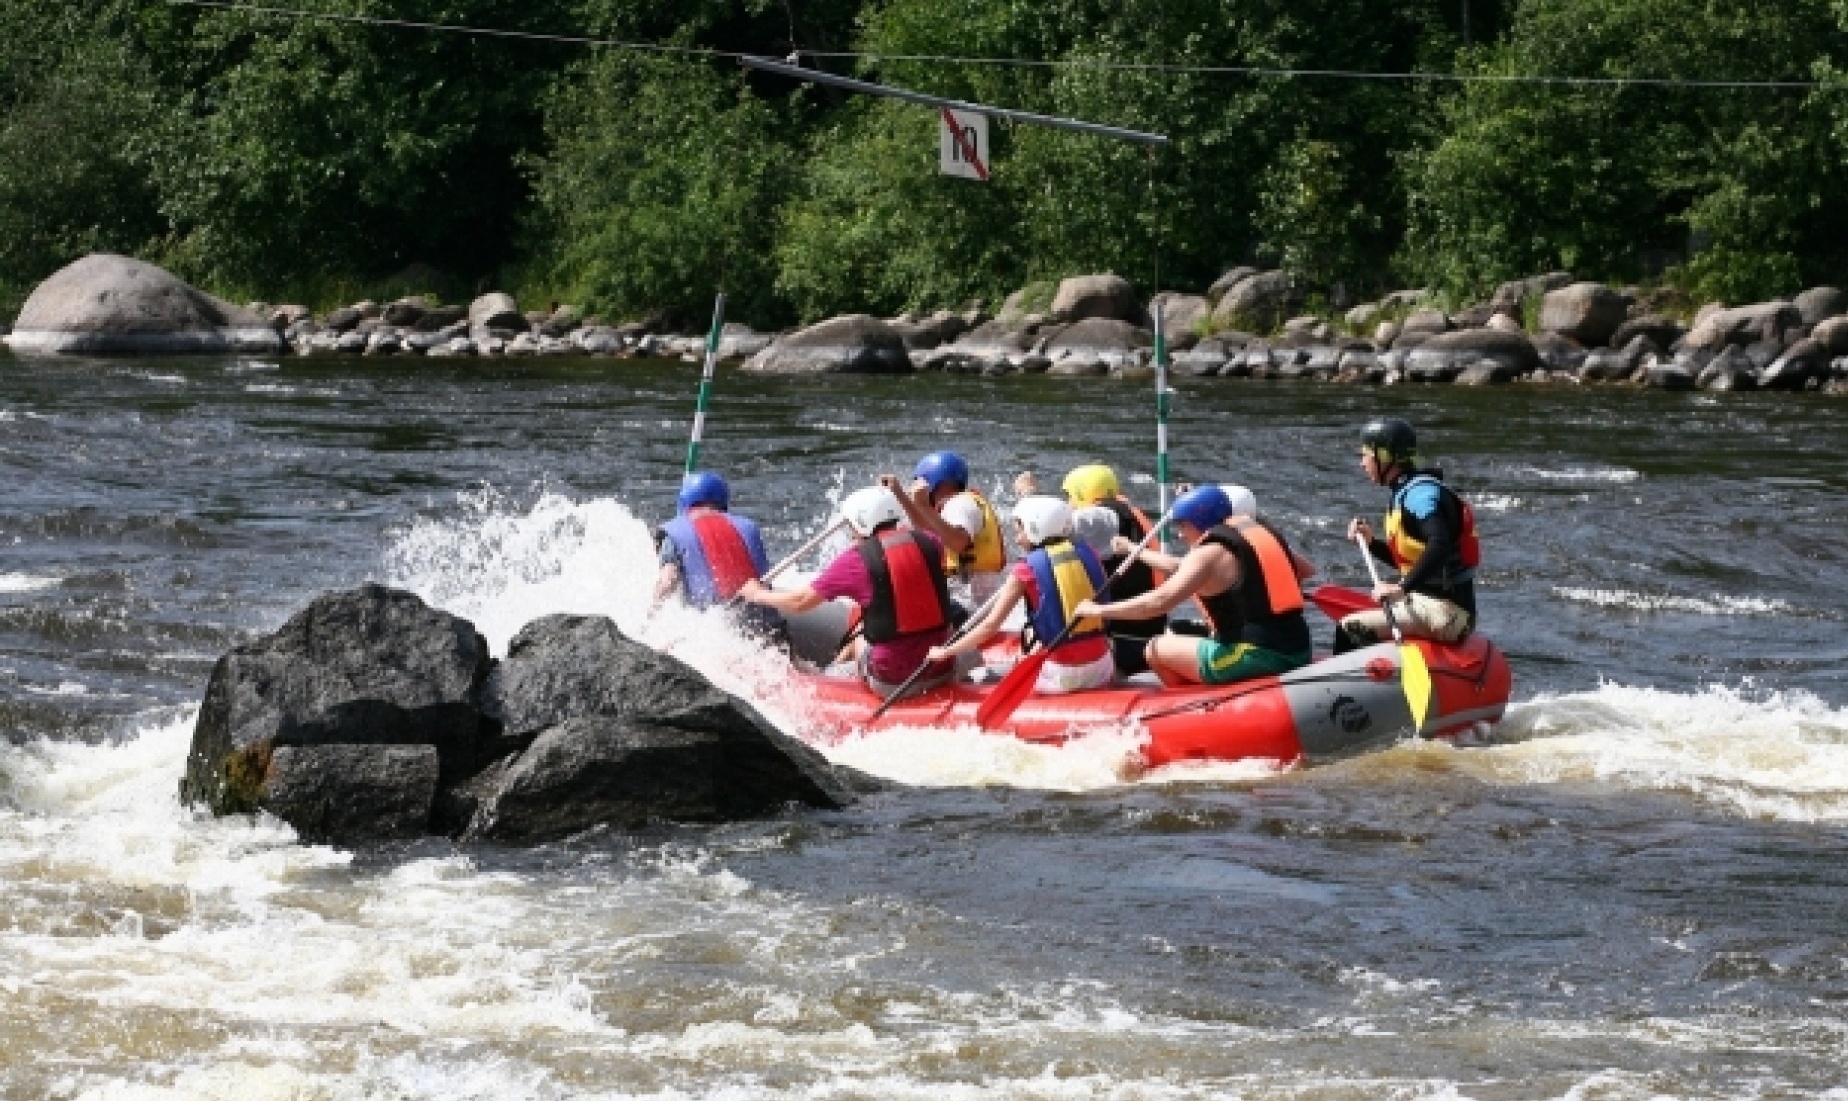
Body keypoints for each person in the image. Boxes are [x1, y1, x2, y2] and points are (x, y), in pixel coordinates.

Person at [737, 486, 975, 696]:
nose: (851, 533)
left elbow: (800, 602)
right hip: (943, 667)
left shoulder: (855, 560)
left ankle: (833, 677)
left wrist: (757, 594)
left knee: (861, 631)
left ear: (861, 524)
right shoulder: (931, 542)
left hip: (892, 682)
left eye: (851, 526)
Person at [1074, 485, 1315, 687]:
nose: (1180, 535)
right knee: (1181, 633)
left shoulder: (1208, 554)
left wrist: (1098, 610)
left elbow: (1158, 603)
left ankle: (1193, 705)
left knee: (1156, 648)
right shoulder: (1259, 536)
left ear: (1199, 522)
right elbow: (1305, 571)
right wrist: (1132, 551)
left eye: (1183, 526)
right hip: (1298, 647)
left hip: (1253, 655)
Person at [925, 496, 1116, 694]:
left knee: (989, 669)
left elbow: (990, 626)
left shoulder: (1026, 570)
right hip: (1102, 668)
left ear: (1036, 528)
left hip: (1061, 675)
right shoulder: (1090, 553)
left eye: (1020, 531)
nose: (1017, 539)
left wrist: (947, 651)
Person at [1337, 418, 1480, 652]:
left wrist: (1401, 588)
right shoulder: (1408, 491)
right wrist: (1371, 543)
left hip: (1446, 612)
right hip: (1429, 602)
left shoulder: (1420, 496)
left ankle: (1342, 689)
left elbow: (1440, 544)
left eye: (1366, 455)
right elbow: (1415, 563)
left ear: (1385, 457)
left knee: (1349, 627)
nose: (1362, 463)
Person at [1059, 463, 1168, 674]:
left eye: (1070, 496)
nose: (1068, 503)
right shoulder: (1128, 516)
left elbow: (1062, 523)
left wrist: (1029, 503)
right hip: (1145, 635)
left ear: (1084, 494)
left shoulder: (1105, 517)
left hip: (1124, 644)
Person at [654, 471, 781, 633]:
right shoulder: (749, 527)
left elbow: (667, 582)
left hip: (717, 632)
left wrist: (650, 617)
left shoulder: (673, 533)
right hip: (770, 629)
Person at [885, 451, 1007, 604]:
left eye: (917, 481)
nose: (914, 486)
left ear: (932, 481)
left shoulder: (960, 504)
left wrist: (923, 505)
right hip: (969, 600)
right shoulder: (953, 506)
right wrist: (899, 493)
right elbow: (928, 533)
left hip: (968, 605)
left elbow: (958, 542)